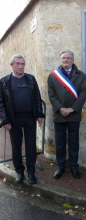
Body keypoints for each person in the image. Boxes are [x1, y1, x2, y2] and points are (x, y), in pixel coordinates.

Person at [0, 54, 45, 184]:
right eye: (17, 64)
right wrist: (5, 120)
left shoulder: (31, 79)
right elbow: (1, 103)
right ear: (12, 65)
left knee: (31, 146)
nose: (20, 66)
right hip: (14, 119)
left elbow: (37, 97)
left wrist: (39, 114)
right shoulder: (4, 81)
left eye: (22, 64)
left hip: (29, 117)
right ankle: (19, 172)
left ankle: (31, 172)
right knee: (16, 146)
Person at [48, 50, 86, 180]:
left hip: (74, 115)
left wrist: (72, 109)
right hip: (59, 115)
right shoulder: (53, 76)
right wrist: (60, 108)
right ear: (61, 60)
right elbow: (51, 95)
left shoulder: (81, 76)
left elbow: (83, 94)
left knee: (74, 142)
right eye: (63, 58)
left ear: (73, 60)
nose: (65, 60)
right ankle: (60, 166)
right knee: (59, 143)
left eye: (68, 58)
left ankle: (74, 166)